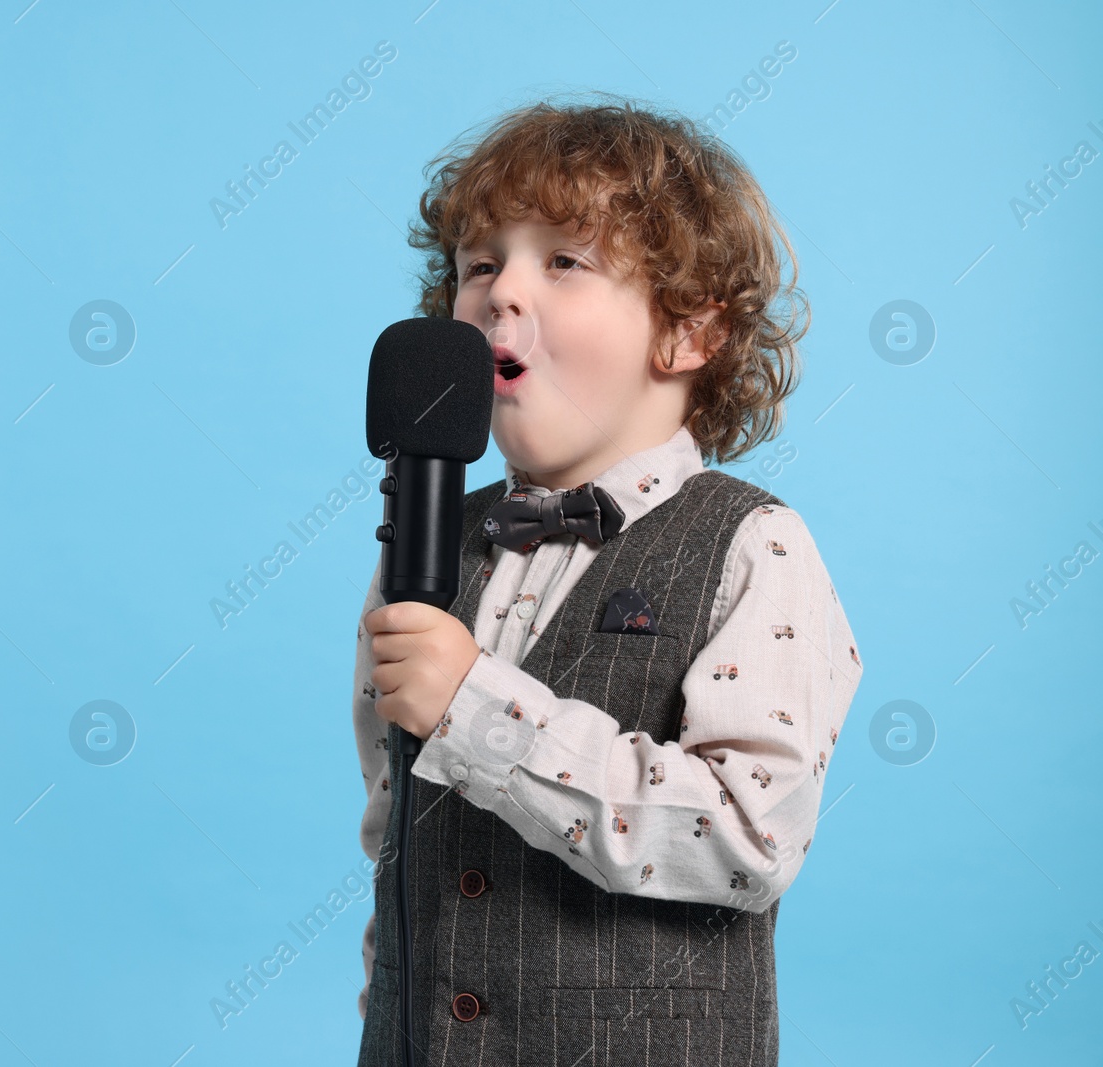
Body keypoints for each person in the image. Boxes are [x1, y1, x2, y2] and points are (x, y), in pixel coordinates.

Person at [351, 95, 862, 1066]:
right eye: (478, 262)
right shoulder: (419, 555)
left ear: (686, 333)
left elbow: (747, 835)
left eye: (563, 261)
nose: (501, 291)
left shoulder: (754, 546)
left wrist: (477, 705)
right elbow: (397, 848)